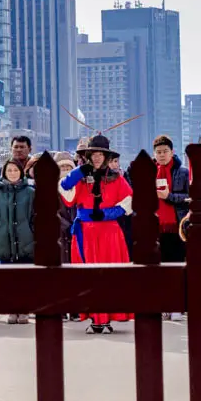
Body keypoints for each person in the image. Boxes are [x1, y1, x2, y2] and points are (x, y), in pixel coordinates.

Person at [60, 134, 133, 334]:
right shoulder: (81, 177)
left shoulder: (116, 178)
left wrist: (109, 213)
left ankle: (106, 318)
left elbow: (129, 201)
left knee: (109, 276)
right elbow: (65, 191)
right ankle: (95, 318)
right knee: (88, 276)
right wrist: (78, 171)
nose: (98, 157)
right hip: (86, 232)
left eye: (101, 154)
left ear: (107, 156)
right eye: (94, 154)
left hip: (109, 232)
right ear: (89, 155)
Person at [0, 160, 35, 324]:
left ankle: (24, 310)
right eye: (9, 170)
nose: (13, 173)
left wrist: (32, 233)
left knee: (25, 280)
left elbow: (37, 216)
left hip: (26, 243)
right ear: (4, 173)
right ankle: (12, 310)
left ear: (21, 172)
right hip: (4, 243)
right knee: (9, 281)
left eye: (15, 170)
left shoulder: (30, 193)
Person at [152, 135, 190, 320]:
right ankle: (163, 304)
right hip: (156, 227)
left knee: (176, 266)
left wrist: (169, 196)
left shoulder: (182, 172)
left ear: (172, 152)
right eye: (158, 152)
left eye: (165, 151)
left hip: (176, 226)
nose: (162, 155)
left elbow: (189, 198)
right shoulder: (151, 171)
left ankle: (177, 305)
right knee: (160, 268)